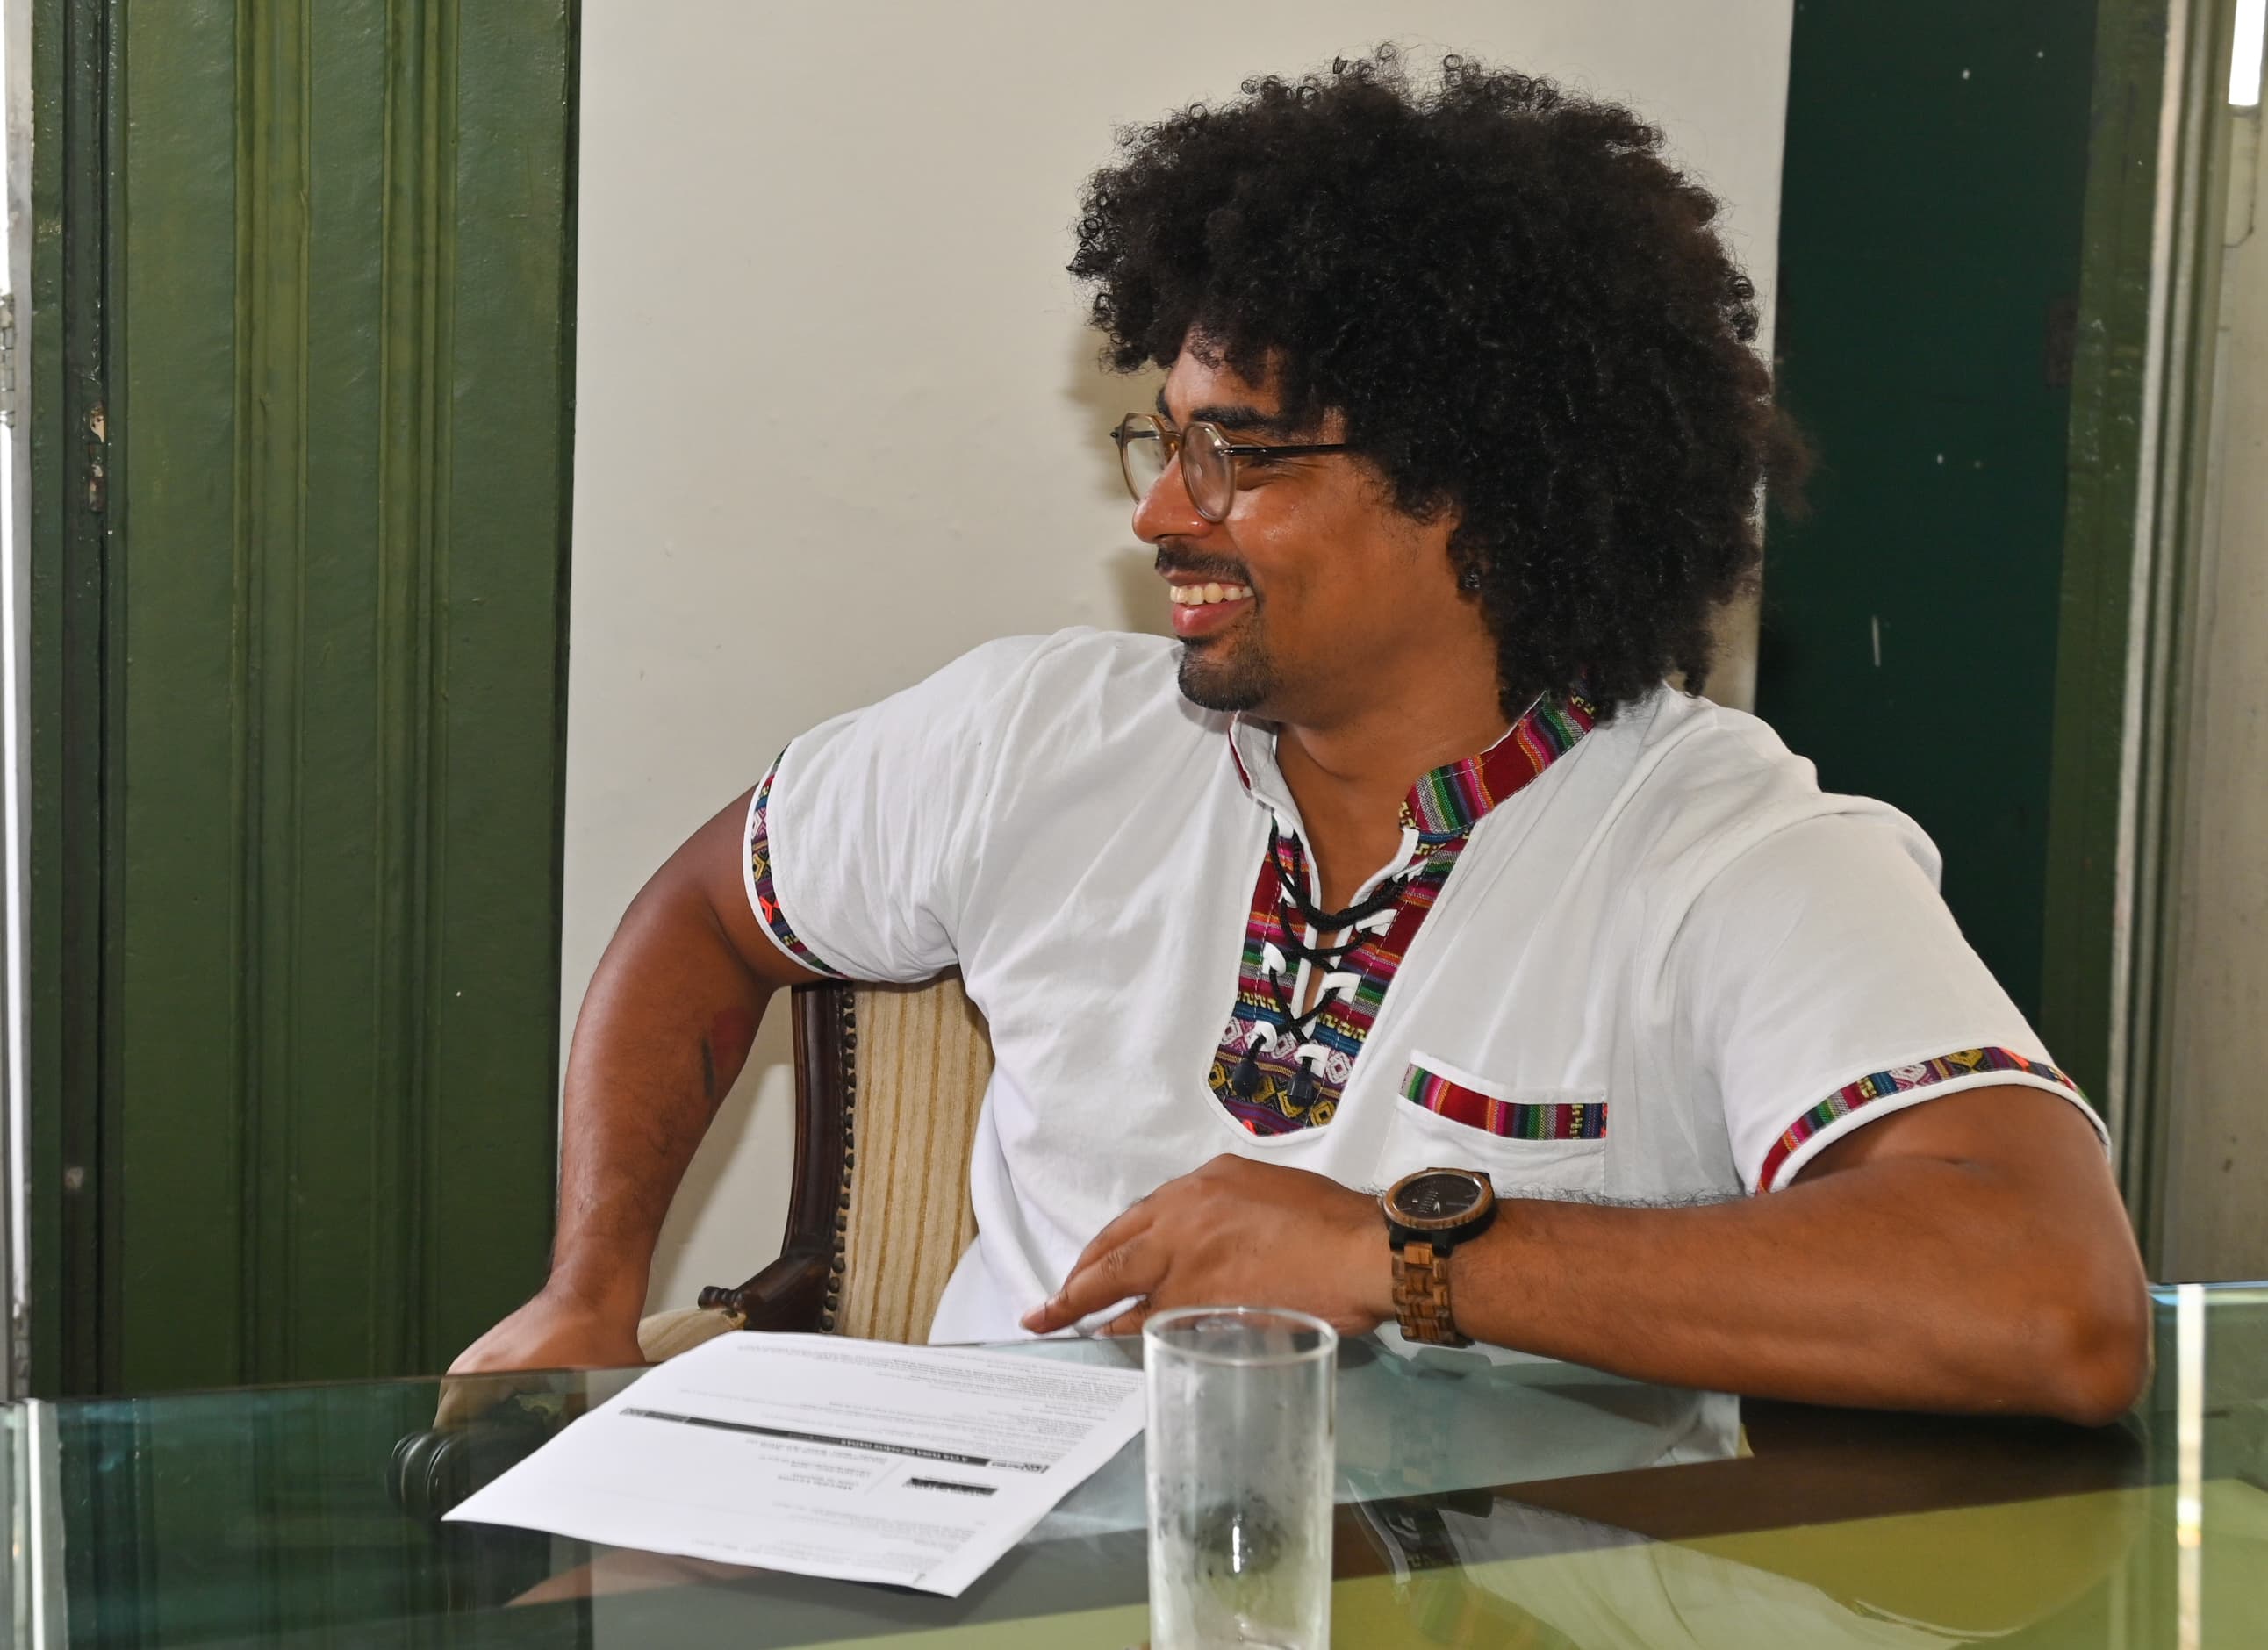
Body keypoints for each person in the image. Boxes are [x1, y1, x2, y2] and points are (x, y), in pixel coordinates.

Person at [453, 49, 2149, 1422]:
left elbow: (2050, 1302)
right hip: (993, 1576)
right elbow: (710, 910)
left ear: (1480, 484)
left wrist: (1407, 1258)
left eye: (1242, 456)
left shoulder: (1722, 853)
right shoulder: (1035, 733)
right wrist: (589, 1284)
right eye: (1165, 441)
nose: (1160, 517)